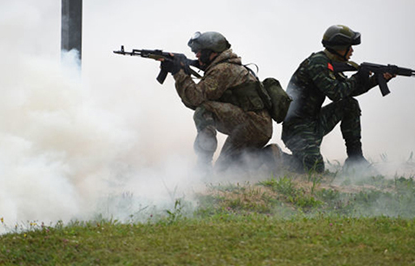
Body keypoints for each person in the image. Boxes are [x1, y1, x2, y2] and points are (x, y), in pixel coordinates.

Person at [281, 25, 395, 173]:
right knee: (314, 168)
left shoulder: (329, 63)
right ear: (339, 47)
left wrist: (376, 80)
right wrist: (357, 78)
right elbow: (336, 93)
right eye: (349, 47)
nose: (352, 51)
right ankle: (273, 157)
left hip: (313, 121)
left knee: (349, 104)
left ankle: (355, 159)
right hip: (296, 127)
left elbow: (348, 91)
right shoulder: (318, 63)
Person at [160, 31, 275, 173]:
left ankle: (203, 166)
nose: (197, 55)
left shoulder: (223, 70)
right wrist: (184, 67)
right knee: (224, 171)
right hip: (256, 126)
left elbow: (195, 99)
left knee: (204, 109)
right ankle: (268, 156)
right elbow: (193, 100)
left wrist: (178, 72)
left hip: (251, 125)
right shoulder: (226, 66)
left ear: (212, 52)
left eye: (200, 52)